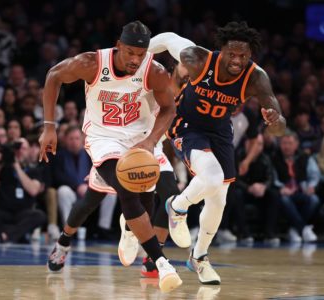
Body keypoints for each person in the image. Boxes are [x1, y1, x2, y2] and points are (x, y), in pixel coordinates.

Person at [39, 21, 182, 292]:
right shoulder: (92, 63)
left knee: (145, 195)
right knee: (116, 193)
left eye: (141, 54)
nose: (135, 59)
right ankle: (160, 262)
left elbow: (169, 109)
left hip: (140, 139)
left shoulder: (155, 71)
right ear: (118, 46)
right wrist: (49, 127)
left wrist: (151, 140)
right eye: (130, 52)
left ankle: (130, 231)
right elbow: (53, 75)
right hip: (103, 139)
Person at [148, 21, 286, 284]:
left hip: (220, 131)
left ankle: (198, 257)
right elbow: (167, 37)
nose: (237, 60)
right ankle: (176, 206)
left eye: (243, 56)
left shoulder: (256, 77)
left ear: (250, 56)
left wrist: (274, 119)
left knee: (219, 199)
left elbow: (281, 128)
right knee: (211, 177)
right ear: (220, 50)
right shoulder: (197, 58)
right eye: (231, 54)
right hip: (186, 125)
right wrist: (138, 57)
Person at [0, 138, 47, 243]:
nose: (20, 151)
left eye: (23, 149)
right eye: (17, 149)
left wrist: (16, 166)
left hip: (23, 212)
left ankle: (3, 235)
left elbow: (33, 191)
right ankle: (15, 235)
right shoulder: (2, 169)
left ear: (29, 151)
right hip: (1, 212)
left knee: (39, 215)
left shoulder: (34, 171)